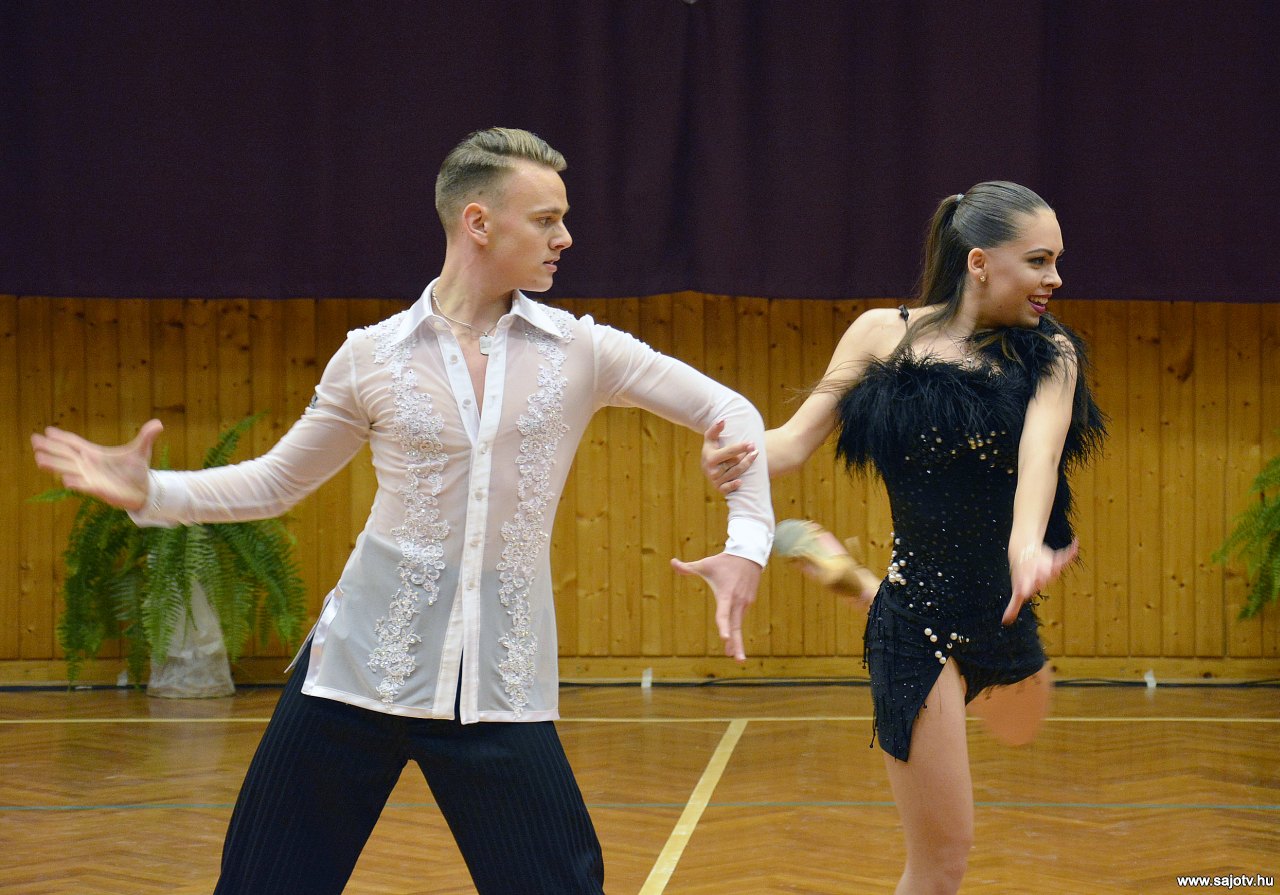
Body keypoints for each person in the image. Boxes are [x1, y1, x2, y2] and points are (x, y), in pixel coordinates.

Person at [31, 127, 774, 895]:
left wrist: (747, 539)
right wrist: (152, 493)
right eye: (546, 219)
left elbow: (731, 410)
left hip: (497, 685)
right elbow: (277, 482)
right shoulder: (371, 355)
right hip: (354, 671)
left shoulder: (583, 350)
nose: (566, 237)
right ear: (478, 222)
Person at [704, 181, 1104, 895]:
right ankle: (871, 592)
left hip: (1002, 610)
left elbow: (1040, 459)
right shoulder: (879, 334)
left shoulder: (1053, 353)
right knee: (944, 861)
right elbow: (790, 443)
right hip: (916, 623)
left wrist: (1026, 548)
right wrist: (731, 452)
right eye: (1039, 260)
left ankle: (852, 581)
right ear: (979, 262)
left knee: (1023, 722)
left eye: (1057, 260)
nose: (1056, 278)